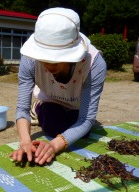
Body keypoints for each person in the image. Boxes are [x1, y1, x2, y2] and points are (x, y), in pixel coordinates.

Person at [10, 7, 107, 165]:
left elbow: (86, 118)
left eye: (55, 59)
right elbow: (21, 108)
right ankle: (40, 107)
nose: (48, 64)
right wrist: (26, 142)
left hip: (77, 108)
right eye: (44, 58)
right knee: (52, 122)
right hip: (51, 102)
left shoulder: (94, 64)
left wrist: (53, 146)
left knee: (84, 130)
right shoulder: (29, 59)